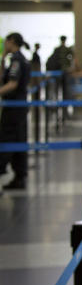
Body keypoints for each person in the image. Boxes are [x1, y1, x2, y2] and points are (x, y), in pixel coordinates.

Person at [0, 32, 31, 190]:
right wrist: (3, 58)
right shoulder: (19, 59)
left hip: (13, 107)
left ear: (11, 41)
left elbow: (12, 84)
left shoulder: (17, 61)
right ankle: (20, 177)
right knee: (19, 140)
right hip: (19, 106)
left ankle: (7, 171)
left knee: (6, 139)